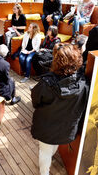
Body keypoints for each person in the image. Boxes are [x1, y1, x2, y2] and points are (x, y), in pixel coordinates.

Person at [31, 43, 89, 175]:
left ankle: (44, 173)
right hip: (66, 128)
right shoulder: (84, 84)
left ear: (57, 61)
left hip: (46, 126)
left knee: (45, 152)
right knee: (52, 147)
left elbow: (35, 102)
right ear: (77, 60)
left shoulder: (46, 83)